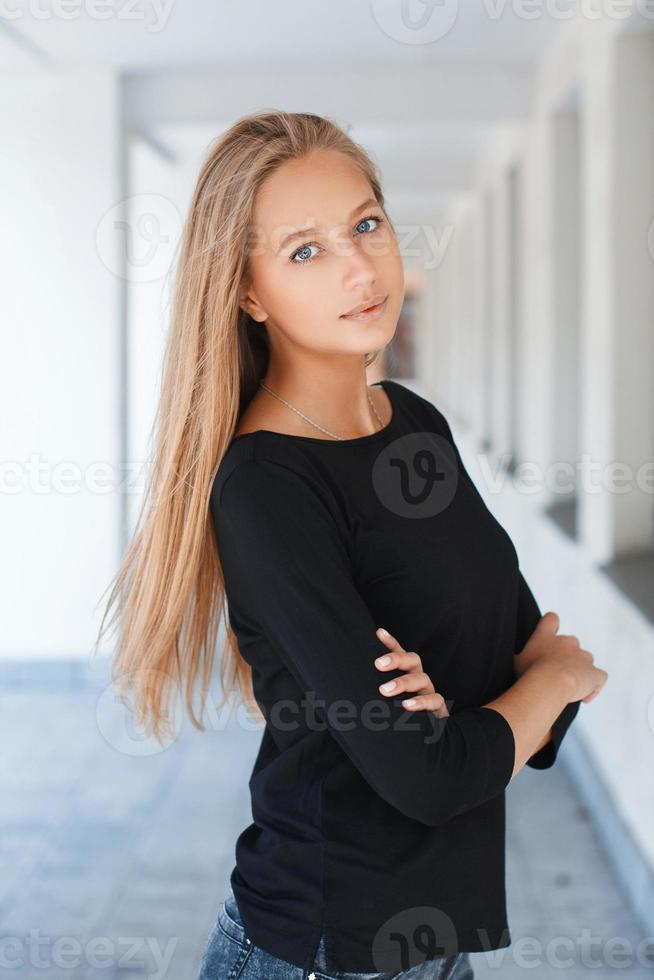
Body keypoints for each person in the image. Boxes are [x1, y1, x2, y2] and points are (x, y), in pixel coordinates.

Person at [96, 110, 608, 980]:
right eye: (305, 250)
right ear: (248, 293)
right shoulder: (266, 489)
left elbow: (518, 686)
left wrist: (491, 708)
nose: (359, 266)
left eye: (366, 224)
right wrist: (548, 681)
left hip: (434, 943)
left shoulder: (416, 426)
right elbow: (442, 769)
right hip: (322, 948)